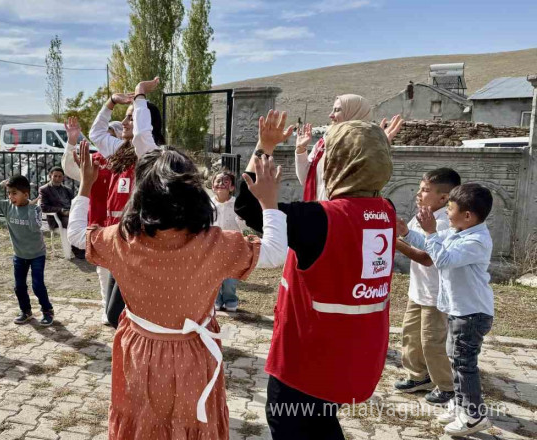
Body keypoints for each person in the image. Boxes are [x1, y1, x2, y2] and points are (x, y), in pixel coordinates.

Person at [68, 139, 288, 439]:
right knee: (190, 425)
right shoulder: (215, 243)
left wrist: (85, 186)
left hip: (139, 351)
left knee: (143, 422)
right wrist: (269, 202)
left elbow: (78, 236)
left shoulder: (120, 240)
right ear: (194, 192)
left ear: (140, 194)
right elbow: (276, 251)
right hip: (193, 354)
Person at [235, 111, 396, 440]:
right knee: (321, 423)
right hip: (353, 357)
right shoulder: (386, 211)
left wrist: (265, 146)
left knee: (290, 422)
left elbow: (247, 208)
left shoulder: (320, 220)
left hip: (307, 362)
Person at [398, 183, 495, 436]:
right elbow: (433, 245)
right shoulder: (459, 231)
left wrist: (430, 232)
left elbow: (442, 260)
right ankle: (461, 405)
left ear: (467, 215)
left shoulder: (476, 241)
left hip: (472, 314)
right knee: (456, 361)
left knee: (465, 365)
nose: (446, 213)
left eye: (449, 208)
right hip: (460, 311)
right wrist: (407, 232)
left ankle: (473, 416)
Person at [90, 77, 164, 328]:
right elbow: (96, 133)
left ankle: (152, 343)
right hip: (117, 241)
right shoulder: (121, 150)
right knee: (116, 315)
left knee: (118, 314)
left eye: (130, 117)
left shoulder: (152, 153)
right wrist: (111, 102)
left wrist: (140, 94)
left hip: (140, 244)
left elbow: (143, 134)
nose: (123, 122)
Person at [394, 168, 461, 405]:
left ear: (443, 198)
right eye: (420, 188)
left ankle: (447, 386)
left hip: (436, 295)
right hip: (418, 291)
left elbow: (426, 257)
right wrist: (401, 233)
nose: (418, 194)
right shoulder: (423, 215)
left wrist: (395, 240)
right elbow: (409, 237)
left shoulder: (445, 221)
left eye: (425, 190)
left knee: (432, 342)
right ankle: (418, 376)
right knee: (411, 336)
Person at [295, 95, 402, 201]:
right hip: (320, 210)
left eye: (337, 110)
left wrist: (376, 147)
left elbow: (366, 181)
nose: (330, 115)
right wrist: (301, 150)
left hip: (345, 212)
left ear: (353, 112)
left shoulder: (365, 145)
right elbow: (306, 179)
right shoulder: (323, 142)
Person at [0, 174, 55, 326]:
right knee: (19, 286)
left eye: (14, 193)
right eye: (9, 193)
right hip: (19, 255)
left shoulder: (35, 209)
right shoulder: (7, 206)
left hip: (37, 254)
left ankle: (47, 310)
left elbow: (34, 227)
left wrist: (29, 208)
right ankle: (26, 311)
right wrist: (0, 186)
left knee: (37, 285)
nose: (10, 197)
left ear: (26, 194)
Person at [62, 116, 115, 322]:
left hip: (122, 229)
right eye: (104, 139)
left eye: (112, 139)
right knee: (104, 272)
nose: (107, 144)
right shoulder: (96, 163)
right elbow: (69, 169)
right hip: (99, 227)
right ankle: (107, 308)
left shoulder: (128, 163)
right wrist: (71, 141)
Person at [211, 170, 248, 313]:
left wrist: (241, 220)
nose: (221, 184)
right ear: (213, 186)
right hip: (213, 246)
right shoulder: (208, 204)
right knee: (214, 276)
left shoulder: (237, 204)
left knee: (230, 278)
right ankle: (216, 299)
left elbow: (245, 228)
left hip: (232, 246)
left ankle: (230, 299)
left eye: (225, 181)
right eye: (218, 181)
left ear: (232, 187)